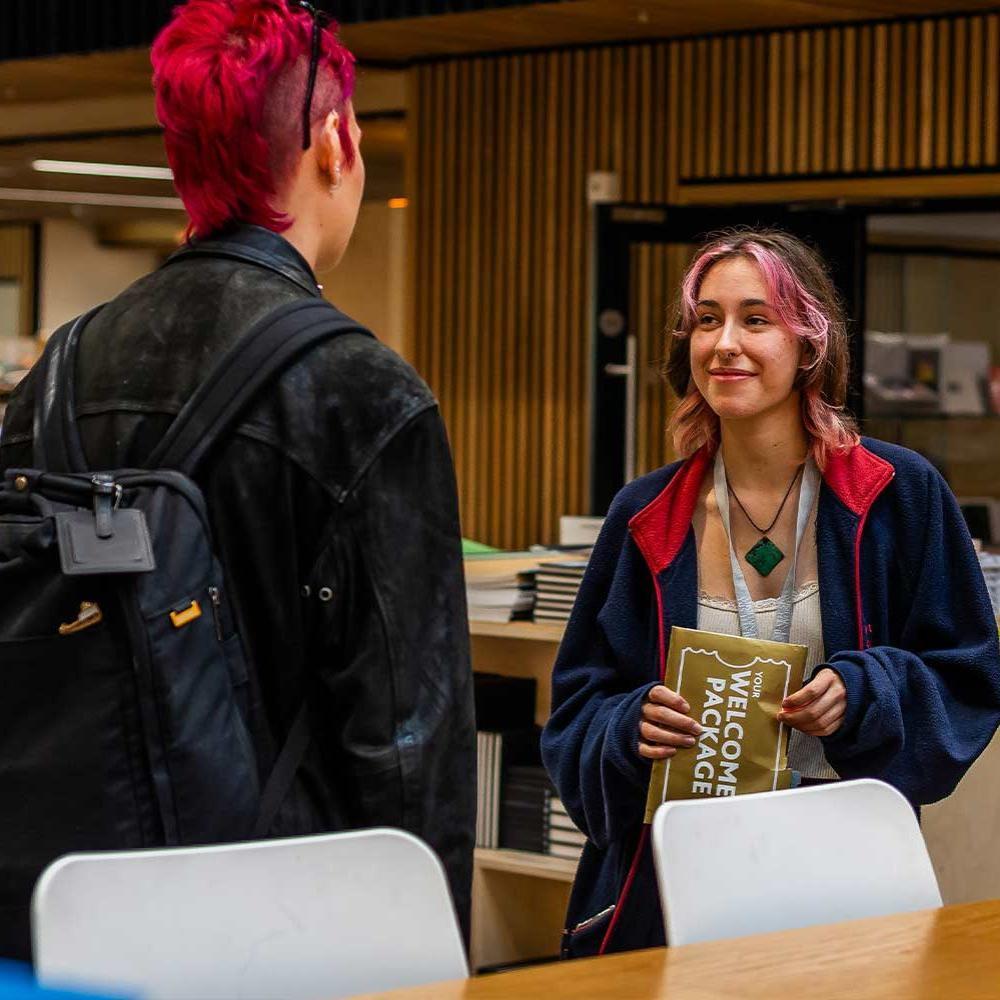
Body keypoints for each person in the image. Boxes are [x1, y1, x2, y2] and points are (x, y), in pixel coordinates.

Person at [0, 0, 476, 937]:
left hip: (71, 906)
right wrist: (428, 955)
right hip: (284, 922)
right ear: (336, 141)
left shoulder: (57, 370)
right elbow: (409, 738)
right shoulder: (362, 388)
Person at [541, 228, 1000, 958]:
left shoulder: (898, 495)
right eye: (706, 319)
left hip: (846, 866)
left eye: (756, 319)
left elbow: (969, 677)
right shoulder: (644, 516)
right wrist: (630, 728)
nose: (725, 343)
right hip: (675, 878)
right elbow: (573, 717)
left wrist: (864, 692)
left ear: (809, 342)